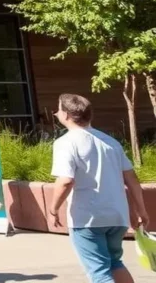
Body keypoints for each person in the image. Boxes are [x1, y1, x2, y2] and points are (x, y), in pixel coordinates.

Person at [50, 94, 149, 283]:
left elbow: (65, 180)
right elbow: (132, 178)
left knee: (99, 272)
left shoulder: (66, 143)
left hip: (87, 218)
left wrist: (53, 208)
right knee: (114, 262)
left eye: (58, 109)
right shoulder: (110, 143)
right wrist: (141, 210)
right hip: (117, 215)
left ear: (66, 115)